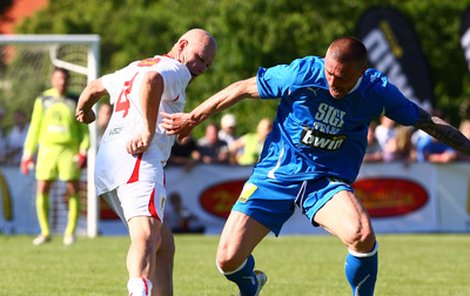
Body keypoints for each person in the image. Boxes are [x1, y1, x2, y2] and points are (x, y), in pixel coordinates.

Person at [161, 36, 470, 296]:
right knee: (227, 261)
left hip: (325, 181)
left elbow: (425, 120)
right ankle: (251, 283)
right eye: (329, 73)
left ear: (361, 73)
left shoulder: (377, 91)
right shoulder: (303, 73)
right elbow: (242, 88)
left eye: (342, 78)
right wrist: (194, 117)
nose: (332, 82)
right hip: (275, 175)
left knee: (362, 235)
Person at [75, 28, 217, 296]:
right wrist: (148, 131)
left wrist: (83, 110)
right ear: (182, 45)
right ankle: (138, 291)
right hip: (138, 159)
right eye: (199, 58)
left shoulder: (134, 67)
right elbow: (152, 81)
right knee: (147, 235)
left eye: (207, 65)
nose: (200, 68)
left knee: (164, 243)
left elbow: (94, 87)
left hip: (107, 164)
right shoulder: (175, 69)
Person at [20, 67, 89, 246]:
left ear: (68, 80)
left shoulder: (75, 99)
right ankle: (45, 232)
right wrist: (27, 154)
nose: (62, 82)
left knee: (73, 189)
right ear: (52, 80)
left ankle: (70, 232)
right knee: (42, 188)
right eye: (58, 78)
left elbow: (84, 128)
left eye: (65, 79)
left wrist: (83, 149)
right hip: (47, 149)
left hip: (69, 149)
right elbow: (34, 127)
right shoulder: (43, 99)